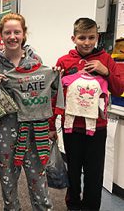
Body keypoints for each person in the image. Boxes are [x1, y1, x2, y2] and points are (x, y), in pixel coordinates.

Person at [0, 12, 55, 211]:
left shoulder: (36, 62)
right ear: (1, 35)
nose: (12, 36)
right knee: (8, 180)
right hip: (5, 131)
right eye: (8, 32)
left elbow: (47, 91)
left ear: (24, 34)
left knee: (38, 179)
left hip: (34, 131)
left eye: (17, 32)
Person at [51, 17, 124, 210]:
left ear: (97, 37)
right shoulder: (64, 61)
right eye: (82, 37)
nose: (87, 42)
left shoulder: (106, 59)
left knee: (94, 174)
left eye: (91, 37)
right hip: (71, 127)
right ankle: (73, 205)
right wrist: (51, 124)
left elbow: (118, 89)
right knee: (73, 171)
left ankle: (91, 207)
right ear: (73, 38)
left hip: (97, 128)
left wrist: (106, 71)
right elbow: (55, 95)